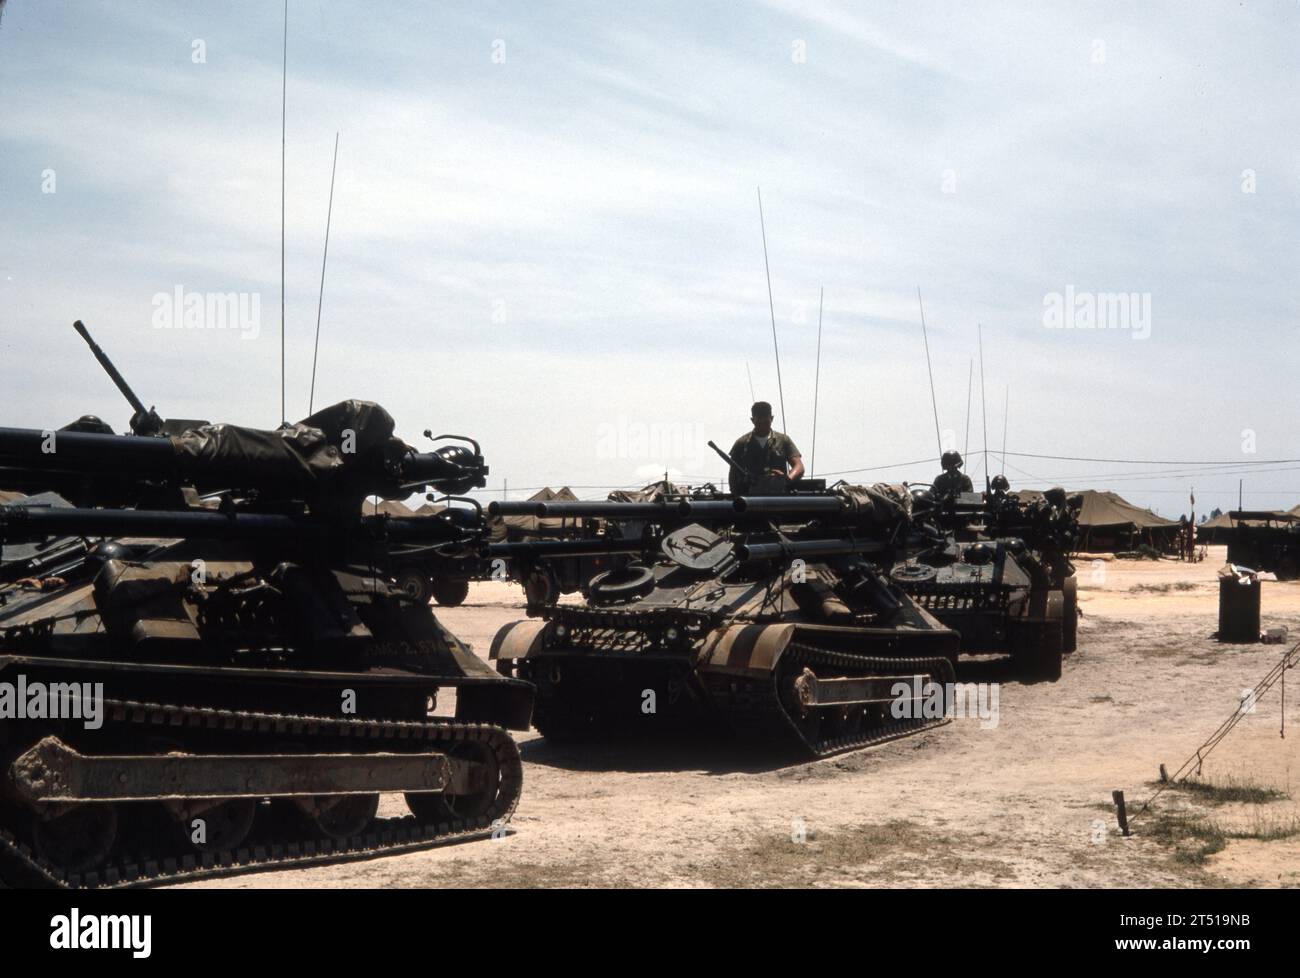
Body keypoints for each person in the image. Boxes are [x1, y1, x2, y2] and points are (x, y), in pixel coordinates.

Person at [728, 401, 804, 494]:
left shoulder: (783, 440)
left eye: (766, 422)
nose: (763, 425)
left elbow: (799, 466)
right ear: (752, 420)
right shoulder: (742, 443)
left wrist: (786, 480)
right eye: (759, 422)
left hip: (779, 497)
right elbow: (733, 476)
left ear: (772, 419)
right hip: (750, 497)